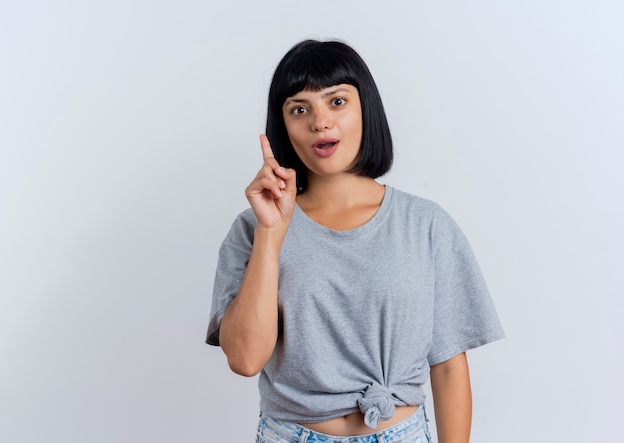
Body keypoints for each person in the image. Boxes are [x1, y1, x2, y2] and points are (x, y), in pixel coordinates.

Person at [206, 39, 504, 443]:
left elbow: (449, 367)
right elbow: (244, 359)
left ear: (366, 108)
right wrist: (271, 234)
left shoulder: (426, 225)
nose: (319, 122)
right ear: (283, 127)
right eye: (299, 109)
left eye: (337, 102)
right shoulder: (254, 227)